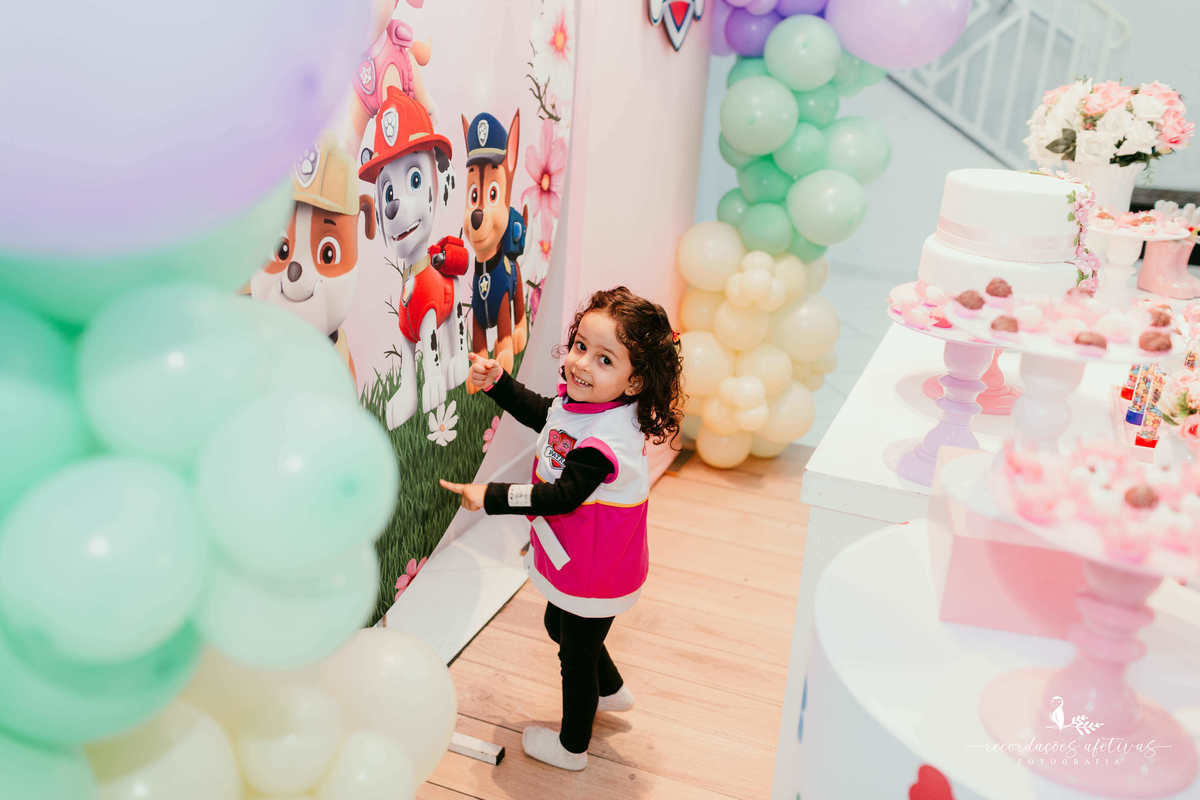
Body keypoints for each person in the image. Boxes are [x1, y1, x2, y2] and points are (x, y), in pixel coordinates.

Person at [439, 286, 684, 771]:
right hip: (589, 558)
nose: (582, 365)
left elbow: (563, 496)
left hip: (597, 567)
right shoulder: (591, 409)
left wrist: (490, 496)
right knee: (564, 627)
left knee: (575, 655)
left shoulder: (604, 442)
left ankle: (572, 748)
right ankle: (610, 690)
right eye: (580, 347)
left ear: (635, 383)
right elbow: (544, 415)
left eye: (605, 360)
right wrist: (498, 383)